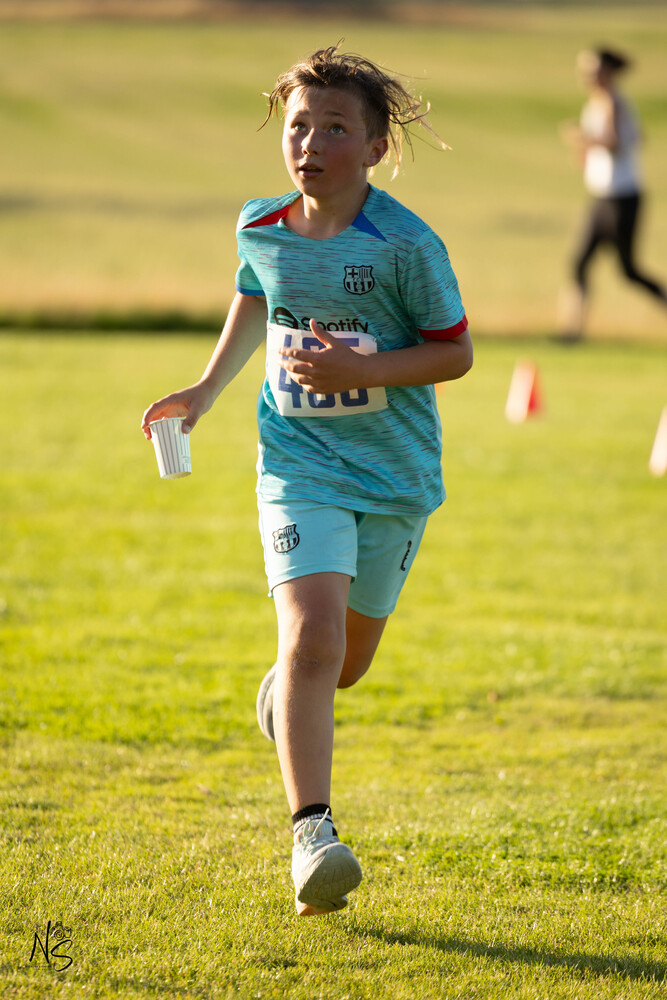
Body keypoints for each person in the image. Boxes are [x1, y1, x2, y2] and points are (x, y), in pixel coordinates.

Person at [141, 45, 472, 916]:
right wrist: (203, 390)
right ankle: (312, 838)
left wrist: (360, 368)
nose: (310, 143)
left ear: (374, 147)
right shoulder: (260, 224)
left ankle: (288, 690)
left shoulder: (406, 245)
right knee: (314, 640)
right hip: (297, 465)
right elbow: (256, 292)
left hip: (393, 477)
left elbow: (455, 353)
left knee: (343, 666)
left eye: (334, 128)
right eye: (297, 126)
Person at [559, 47, 667, 340]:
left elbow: (615, 142)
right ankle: (572, 332)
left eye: (593, 71)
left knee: (629, 271)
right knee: (580, 262)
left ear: (608, 72)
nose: (587, 77)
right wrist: (584, 147)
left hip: (622, 197)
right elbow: (634, 138)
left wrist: (584, 138)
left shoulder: (614, 102)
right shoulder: (595, 105)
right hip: (602, 196)